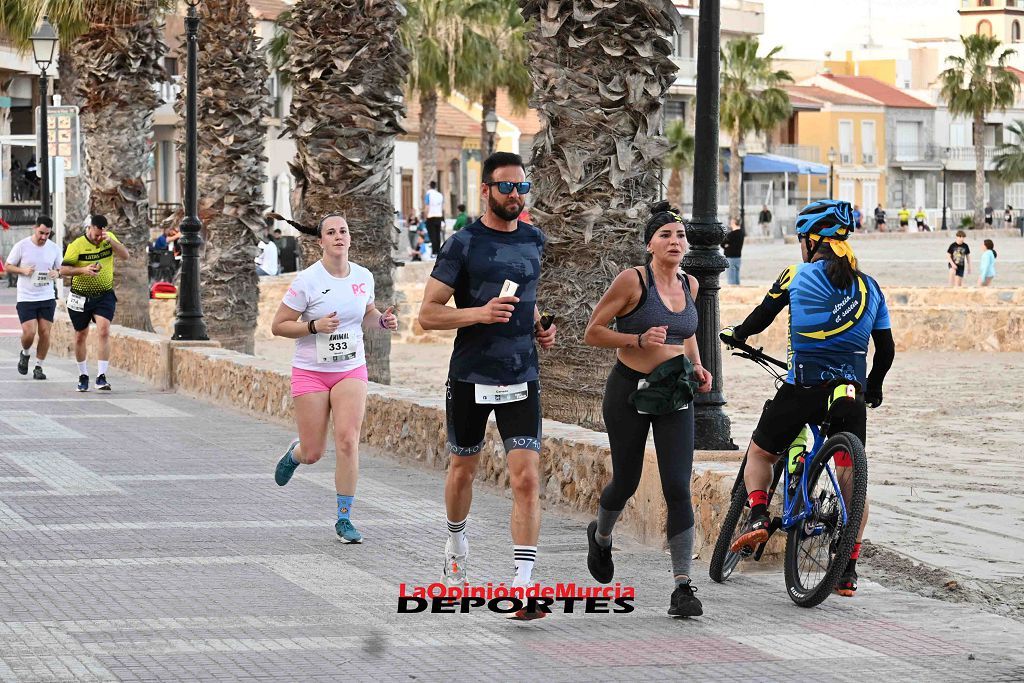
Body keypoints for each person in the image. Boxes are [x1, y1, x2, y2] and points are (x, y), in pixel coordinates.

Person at [724, 199, 894, 599]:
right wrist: (875, 385)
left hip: (804, 386)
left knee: (762, 453)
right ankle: (848, 569)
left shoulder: (796, 275)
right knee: (853, 475)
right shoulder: (870, 287)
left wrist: (738, 335)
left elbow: (760, 317)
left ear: (811, 240)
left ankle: (761, 514)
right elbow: (885, 350)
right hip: (850, 392)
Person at [418, 151, 557, 619]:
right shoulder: (462, 244)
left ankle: (523, 587)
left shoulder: (535, 239)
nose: (515, 195)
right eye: (506, 187)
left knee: (527, 478)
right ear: (485, 190)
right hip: (471, 376)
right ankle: (456, 540)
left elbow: (527, 300)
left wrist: (539, 326)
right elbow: (428, 314)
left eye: (522, 187)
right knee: (463, 470)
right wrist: (479, 313)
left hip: (522, 375)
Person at [582, 201, 713, 617]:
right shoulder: (633, 282)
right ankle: (601, 538)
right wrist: (636, 340)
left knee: (678, 485)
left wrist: (696, 365)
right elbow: (593, 332)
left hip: (673, 393)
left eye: (680, 235)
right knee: (627, 480)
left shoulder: (691, 285)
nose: (675, 241)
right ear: (650, 244)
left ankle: (682, 587)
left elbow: (686, 333)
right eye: (666, 235)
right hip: (628, 392)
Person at [270, 213, 399, 543]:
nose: (339, 236)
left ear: (349, 238)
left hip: (350, 369)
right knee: (314, 452)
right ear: (321, 242)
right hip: (311, 372)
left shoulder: (364, 277)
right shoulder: (307, 281)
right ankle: (295, 454)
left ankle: (344, 519)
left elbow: (367, 314)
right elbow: (279, 325)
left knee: (347, 440)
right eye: (331, 232)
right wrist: (313, 326)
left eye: (343, 230)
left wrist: (382, 322)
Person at [60, 214, 129, 392]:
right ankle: (83, 375)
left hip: (104, 295)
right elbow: (64, 270)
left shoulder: (109, 239)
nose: (99, 238)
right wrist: (83, 270)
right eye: (96, 234)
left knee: (104, 330)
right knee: (80, 336)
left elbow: (125, 255)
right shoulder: (77, 245)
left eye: (101, 234)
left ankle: (101, 376)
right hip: (80, 296)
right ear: (88, 228)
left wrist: (111, 242)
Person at [5, 216, 61, 380]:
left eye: (47, 234)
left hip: (46, 296)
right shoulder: (22, 246)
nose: (44, 237)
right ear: (34, 228)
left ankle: (39, 367)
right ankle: (25, 353)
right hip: (26, 297)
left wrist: (57, 273)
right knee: (29, 333)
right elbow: (8, 266)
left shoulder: (54, 248)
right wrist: (23, 271)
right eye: (41, 233)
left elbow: (61, 269)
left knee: (45, 332)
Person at [424, 181, 445, 255]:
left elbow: (427, 206)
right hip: (439, 216)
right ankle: (438, 251)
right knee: (437, 234)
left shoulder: (428, 193)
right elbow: (442, 207)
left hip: (431, 216)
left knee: (432, 235)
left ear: (430, 186)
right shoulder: (440, 195)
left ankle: (433, 252)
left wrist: (425, 216)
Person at [722, 217, 744, 285]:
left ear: (734, 223)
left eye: (731, 222)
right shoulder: (741, 233)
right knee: (736, 279)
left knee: (731, 280)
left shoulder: (731, 234)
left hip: (731, 258)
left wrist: (727, 246)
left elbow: (722, 243)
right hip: (738, 257)